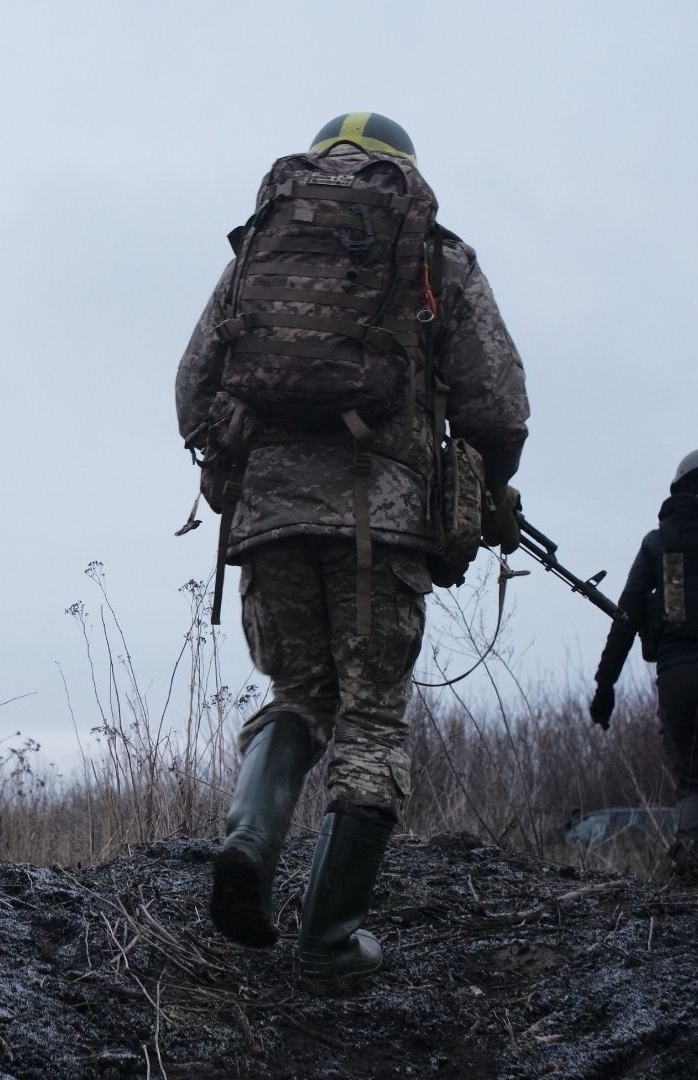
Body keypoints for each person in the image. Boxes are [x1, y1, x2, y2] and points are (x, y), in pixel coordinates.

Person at [174, 112, 531, 992]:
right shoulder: (434, 255)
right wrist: (485, 492)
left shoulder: (259, 249)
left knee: (296, 694)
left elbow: (193, 387)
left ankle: (248, 844)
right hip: (382, 518)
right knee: (371, 718)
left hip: (269, 516)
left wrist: (236, 472)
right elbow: (498, 406)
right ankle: (329, 943)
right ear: (402, 171)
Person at [590, 447, 698, 880]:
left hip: (680, 677)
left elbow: (627, 618)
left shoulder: (659, 541)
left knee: (696, 779)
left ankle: (689, 864)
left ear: (680, 486)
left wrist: (605, 687)